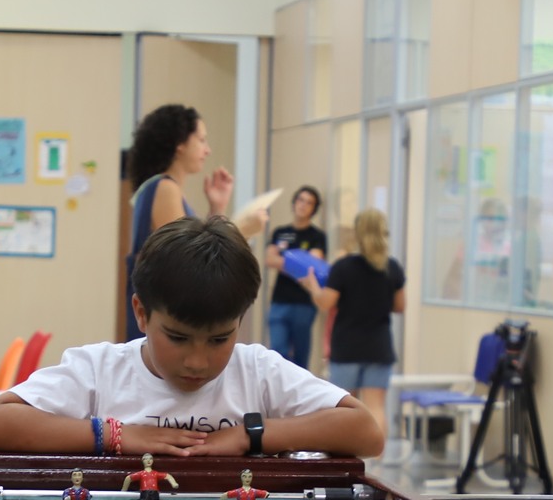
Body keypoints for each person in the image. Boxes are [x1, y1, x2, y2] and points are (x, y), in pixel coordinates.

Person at [0, 216, 381, 458]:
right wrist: (116, 435)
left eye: (219, 339)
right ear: (141, 313)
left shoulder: (257, 371)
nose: (197, 361)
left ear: (241, 319)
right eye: (179, 337)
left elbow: (365, 431)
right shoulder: (100, 370)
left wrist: (249, 435)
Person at [123, 103, 267, 341]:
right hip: (168, 326)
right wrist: (243, 230)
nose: (207, 150)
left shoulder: (160, 188)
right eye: (201, 140)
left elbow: (196, 252)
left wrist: (217, 208)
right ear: (180, 143)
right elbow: (186, 260)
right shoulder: (165, 188)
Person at [299, 207, 404, 432]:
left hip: (347, 346)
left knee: (343, 408)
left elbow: (325, 303)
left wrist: (313, 287)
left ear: (357, 233)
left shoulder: (344, 267)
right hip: (379, 346)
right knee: (376, 406)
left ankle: (348, 460)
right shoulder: (392, 267)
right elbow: (400, 306)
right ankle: (377, 462)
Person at [264, 186, 326, 367]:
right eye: (301, 200)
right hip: (279, 301)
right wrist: (296, 262)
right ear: (294, 203)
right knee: (277, 352)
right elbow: (269, 259)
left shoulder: (317, 236)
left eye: (309, 203)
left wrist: (284, 259)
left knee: (300, 358)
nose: (303, 205)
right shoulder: (280, 232)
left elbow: (311, 267)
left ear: (314, 209)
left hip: (304, 303)